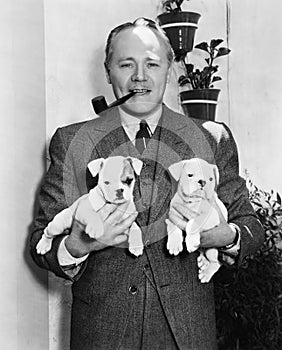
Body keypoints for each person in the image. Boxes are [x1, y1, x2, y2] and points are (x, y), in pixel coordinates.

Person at [30, 17, 264, 350]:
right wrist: (80, 244)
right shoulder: (72, 142)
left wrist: (223, 236)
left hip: (188, 335)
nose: (140, 76)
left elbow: (251, 227)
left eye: (152, 64)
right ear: (108, 70)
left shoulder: (212, 138)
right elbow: (42, 241)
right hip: (102, 336)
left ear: (168, 69)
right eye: (126, 64)